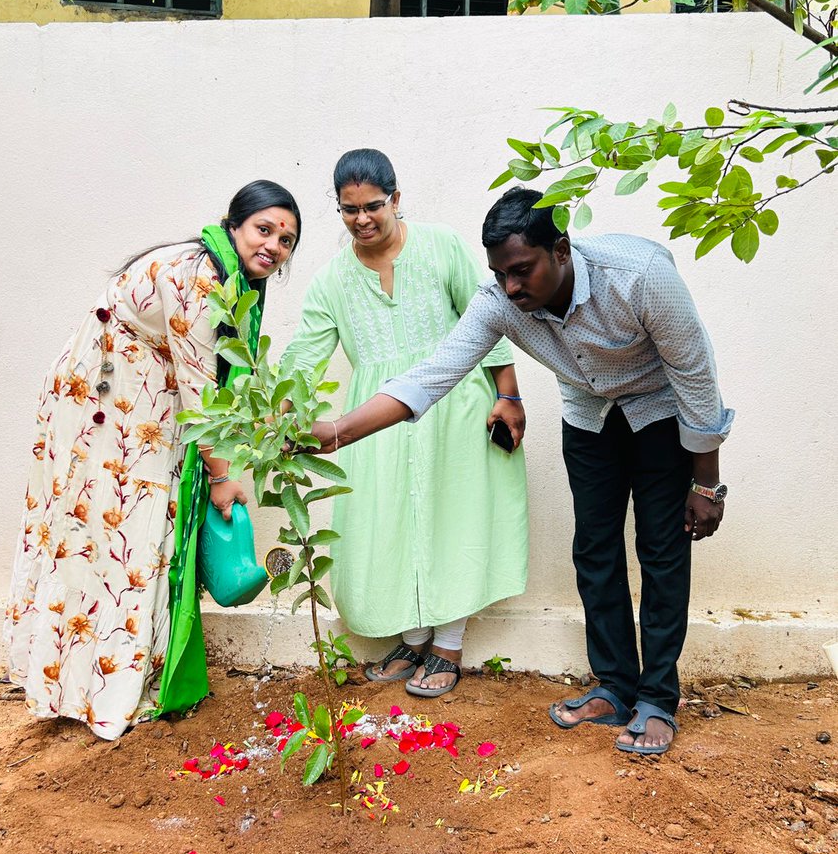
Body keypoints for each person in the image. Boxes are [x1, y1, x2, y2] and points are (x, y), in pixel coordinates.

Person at [306, 187, 733, 754]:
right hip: (589, 419)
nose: (510, 288)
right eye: (500, 274)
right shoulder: (501, 298)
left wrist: (706, 483)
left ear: (560, 250)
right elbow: (432, 376)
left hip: (659, 416)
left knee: (660, 551)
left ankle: (657, 698)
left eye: (522, 271)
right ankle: (612, 686)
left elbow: (698, 380)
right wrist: (337, 432)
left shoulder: (640, 276)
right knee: (595, 550)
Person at [6, 182, 302, 740]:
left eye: (286, 240)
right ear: (233, 223)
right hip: (107, 405)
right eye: (265, 229)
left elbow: (218, 376)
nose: (274, 246)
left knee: (129, 536)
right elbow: (197, 384)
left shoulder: (229, 278)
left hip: (135, 400)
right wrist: (222, 476)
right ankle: (91, 685)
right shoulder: (198, 276)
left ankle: (112, 675)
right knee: (112, 536)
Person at [278, 149, 528, 697]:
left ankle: (448, 645)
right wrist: (279, 411)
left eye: (372, 206)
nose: (362, 219)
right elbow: (304, 356)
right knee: (389, 522)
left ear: (396, 198)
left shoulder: (441, 247)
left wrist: (507, 394)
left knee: (453, 517)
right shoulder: (331, 282)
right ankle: (414, 638)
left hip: (455, 402)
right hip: (377, 421)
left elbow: (488, 319)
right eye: (349, 210)